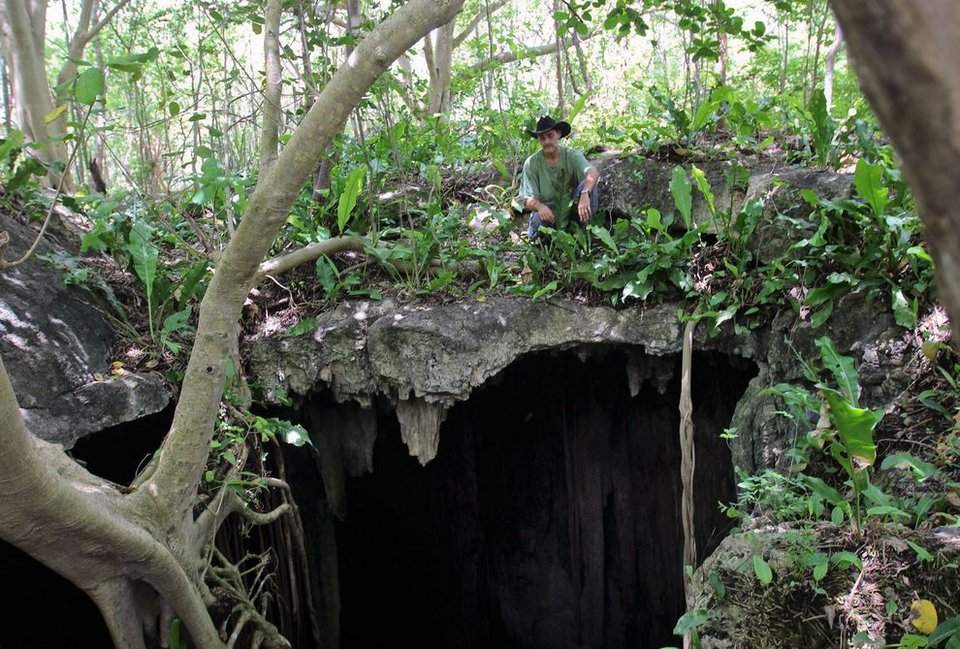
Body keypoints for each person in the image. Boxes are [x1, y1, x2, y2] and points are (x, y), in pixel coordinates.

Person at [517, 115, 600, 241]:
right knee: (538, 221)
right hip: (548, 216)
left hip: (571, 211)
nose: (546, 142)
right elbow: (527, 198)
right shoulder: (532, 163)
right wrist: (540, 207)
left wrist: (584, 193)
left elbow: (593, 173)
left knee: (589, 187)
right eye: (542, 138)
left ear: (558, 134)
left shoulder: (572, 156)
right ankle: (546, 244)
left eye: (550, 136)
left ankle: (584, 235)